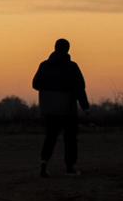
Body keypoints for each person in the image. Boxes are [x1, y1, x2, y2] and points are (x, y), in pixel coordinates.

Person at [31, 38, 90, 177]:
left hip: (49, 109)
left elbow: (35, 84)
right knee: (70, 139)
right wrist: (85, 107)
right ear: (68, 49)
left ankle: (43, 165)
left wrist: (49, 90)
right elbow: (80, 88)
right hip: (67, 109)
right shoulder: (72, 67)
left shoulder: (44, 65)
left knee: (50, 137)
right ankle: (70, 168)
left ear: (55, 47)